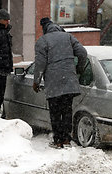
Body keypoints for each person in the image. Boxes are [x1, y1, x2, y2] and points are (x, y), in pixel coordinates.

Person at [33, 17, 87, 148]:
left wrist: (36, 81)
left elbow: (40, 64)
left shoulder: (42, 41)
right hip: (69, 80)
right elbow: (83, 53)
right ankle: (66, 139)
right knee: (67, 110)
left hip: (53, 82)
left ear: (45, 30)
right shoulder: (68, 37)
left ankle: (58, 140)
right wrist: (79, 69)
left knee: (55, 112)